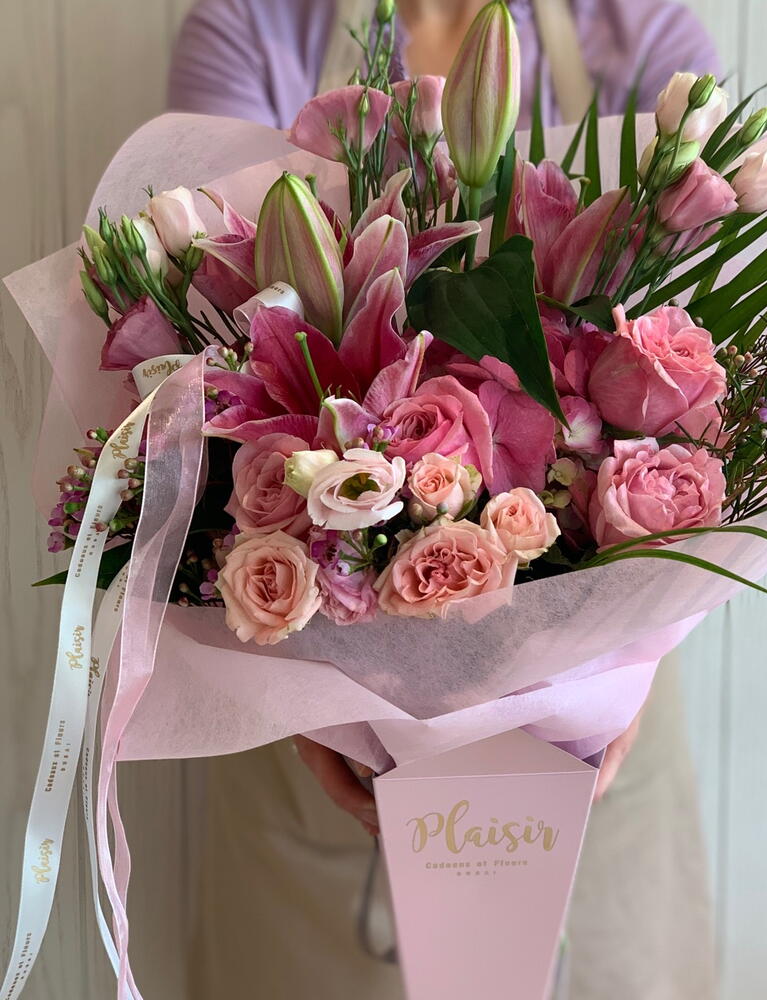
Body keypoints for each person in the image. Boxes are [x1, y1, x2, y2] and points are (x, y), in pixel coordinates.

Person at [169, 2, 720, 997]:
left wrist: (618, 672)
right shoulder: (251, 29)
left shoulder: (634, 29)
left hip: (596, 736)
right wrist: (312, 710)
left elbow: (702, 388)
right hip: (316, 750)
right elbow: (206, 365)